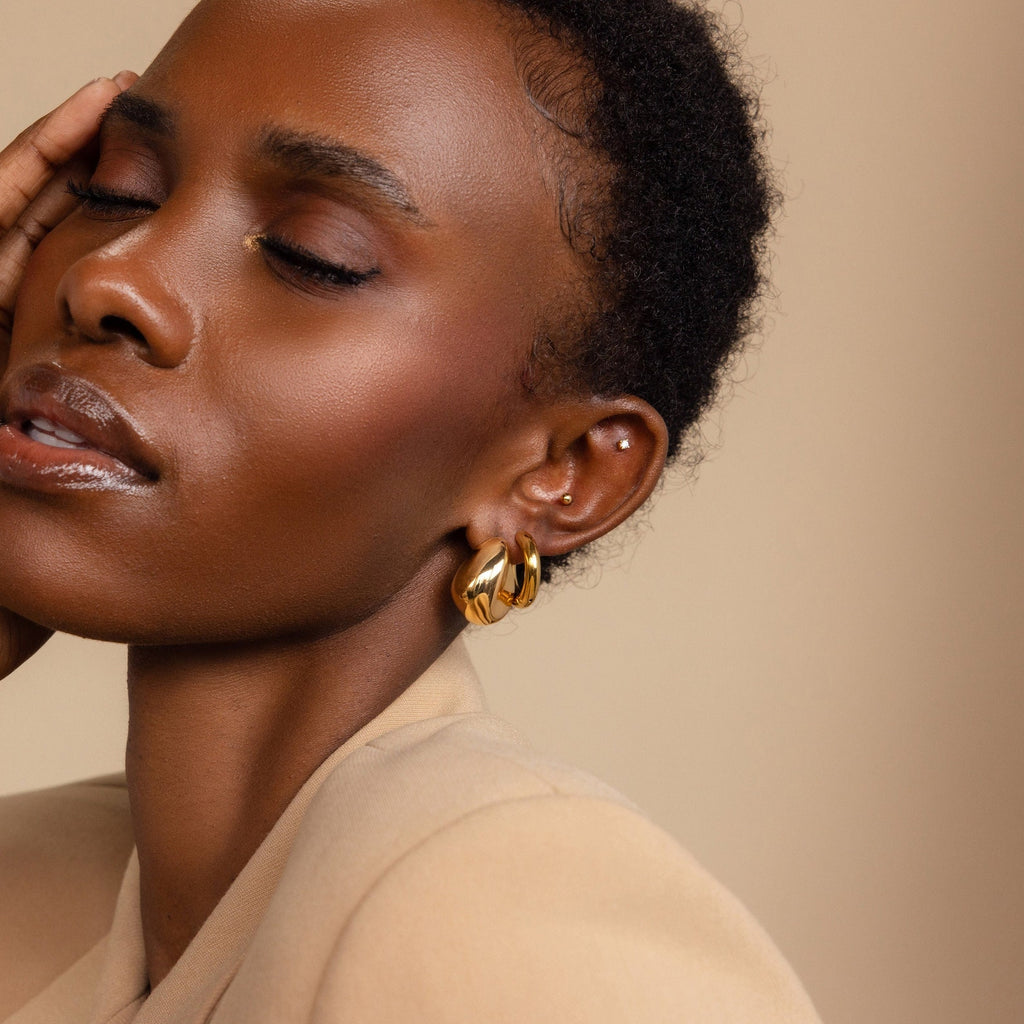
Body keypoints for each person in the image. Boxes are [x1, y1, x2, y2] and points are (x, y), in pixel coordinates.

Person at [0, 0, 822, 1020]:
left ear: (561, 471)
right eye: (116, 189)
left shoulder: (511, 917)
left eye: (313, 255)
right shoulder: (27, 890)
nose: (105, 278)